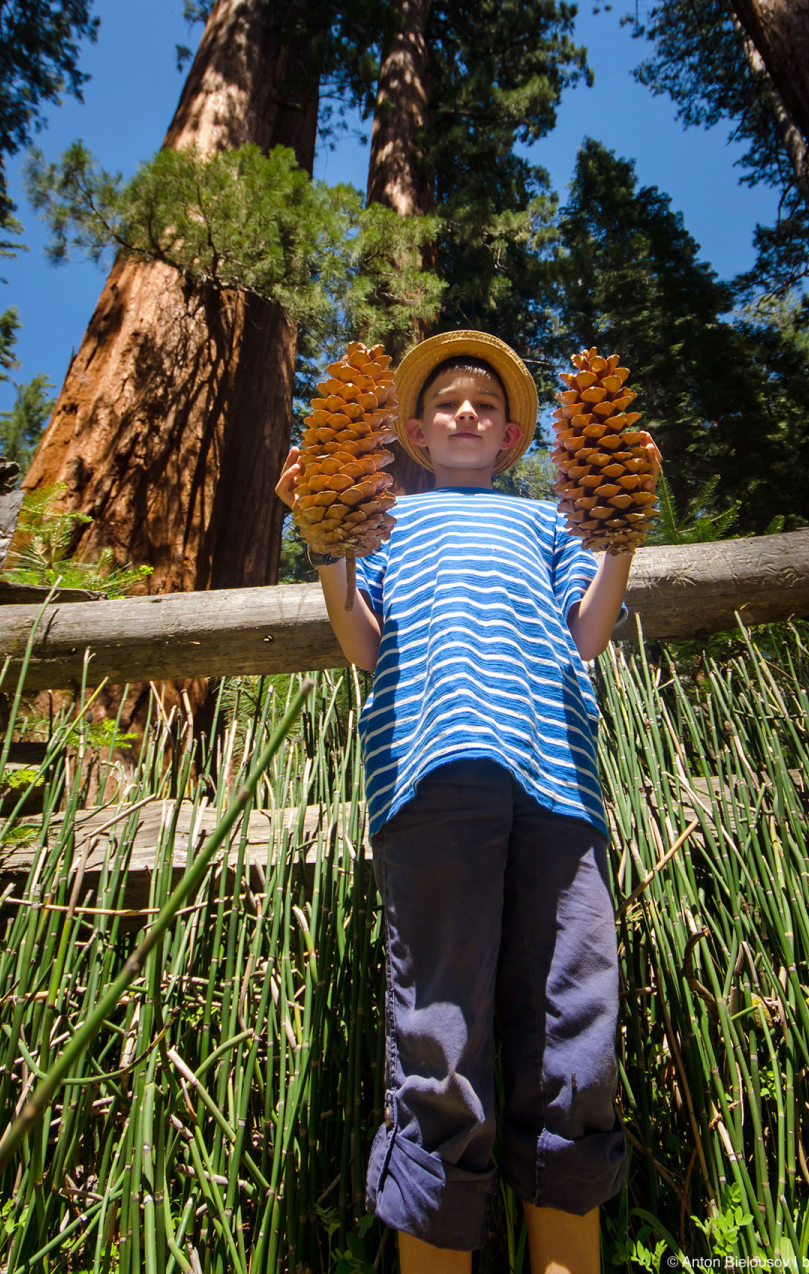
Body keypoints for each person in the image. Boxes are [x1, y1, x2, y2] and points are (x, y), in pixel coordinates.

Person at [276, 330, 662, 1274]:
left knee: (574, 1008)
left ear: (514, 439)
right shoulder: (386, 522)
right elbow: (362, 644)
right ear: (409, 433)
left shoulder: (548, 524)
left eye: (484, 408)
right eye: (446, 403)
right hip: (428, 768)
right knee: (439, 1026)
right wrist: (328, 537)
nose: (465, 414)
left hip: (558, 781)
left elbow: (588, 636)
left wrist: (620, 534)